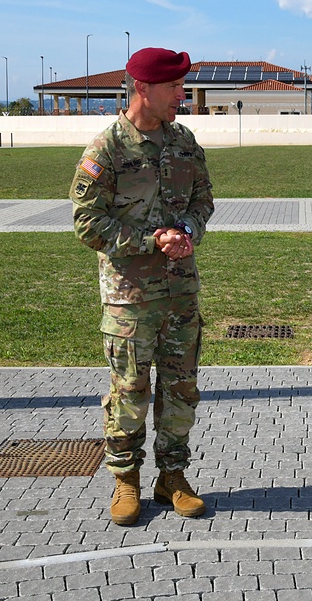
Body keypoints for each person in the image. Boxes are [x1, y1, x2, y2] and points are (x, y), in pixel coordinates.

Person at [69, 47, 214, 526]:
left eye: (182, 87)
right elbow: (87, 223)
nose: (182, 96)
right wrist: (152, 239)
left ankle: (172, 477)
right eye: (174, 88)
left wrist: (187, 232)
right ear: (143, 89)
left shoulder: (185, 141)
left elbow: (203, 199)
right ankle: (125, 481)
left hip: (180, 293)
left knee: (180, 389)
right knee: (130, 391)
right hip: (130, 297)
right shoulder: (107, 149)